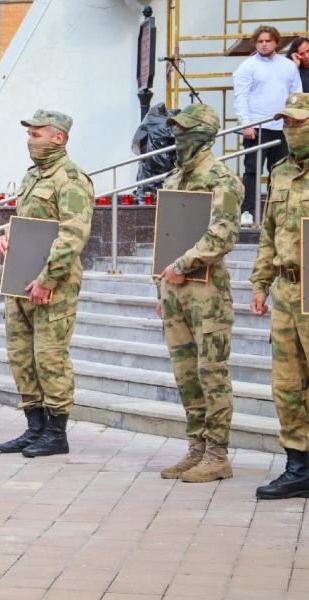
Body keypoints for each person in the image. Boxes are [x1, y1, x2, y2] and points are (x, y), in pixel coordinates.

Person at [0, 109, 94, 457]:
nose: (30, 140)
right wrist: (6, 236)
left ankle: (56, 432)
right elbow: (24, 219)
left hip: (54, 285)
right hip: (20, 277)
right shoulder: (32, 176)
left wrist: (48, 279)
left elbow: (72, 234)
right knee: (22, 357)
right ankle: (34, 427)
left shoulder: (71, 179)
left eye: (36, 134)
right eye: (29, 134)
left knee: (49, 357)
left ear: (58, 137)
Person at [154, 104, 244, 482]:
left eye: (184, 130)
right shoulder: (175, 178)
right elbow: (166, 235)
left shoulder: (222, 179)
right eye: (174, 129)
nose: (177, 136)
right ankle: (196, 448)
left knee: (211, 373)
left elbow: (222, 234)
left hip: (206, 288)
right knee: (185, 373)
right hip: (174, 290)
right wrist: (161, 285)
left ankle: (218, 454)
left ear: (205, 133)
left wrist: (182, 264)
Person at [250, 92, 309, 500]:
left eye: (298, 122)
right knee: (287, 384)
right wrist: (260, 283)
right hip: (288, 289)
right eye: (286, 123)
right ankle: (298, 465)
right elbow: (269, 232)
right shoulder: (281, 172)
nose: (290, 130)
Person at [233, 25, 301, 225]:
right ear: (256, 43)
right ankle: (248, 211)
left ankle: (275, 212)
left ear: (276, 43)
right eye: (260, 41)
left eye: (267, 41)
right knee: (252, 170)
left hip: (281, 127)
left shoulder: (288, 66)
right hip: (256, 126)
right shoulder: (247, 66)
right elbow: (241, 97)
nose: (263, 45)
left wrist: (293, 118)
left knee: (279, 172)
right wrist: (245, 124)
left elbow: (295, 94)